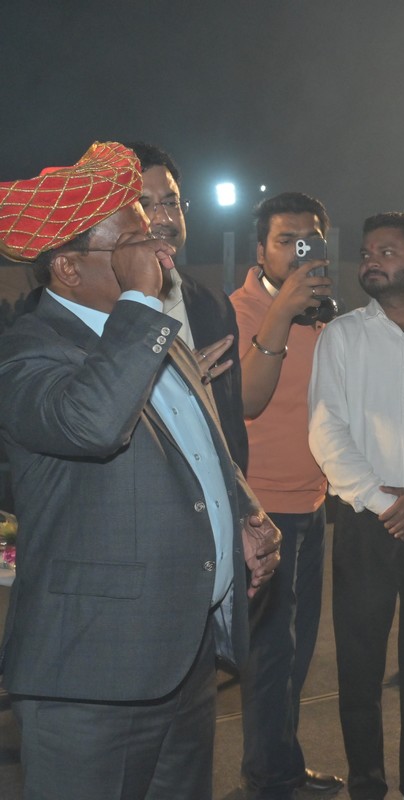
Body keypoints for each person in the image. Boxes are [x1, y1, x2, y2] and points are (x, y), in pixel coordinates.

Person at [0, 142, 281, 799]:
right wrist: (138, 302)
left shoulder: (152, 335)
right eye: (132, 240)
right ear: (69, 268)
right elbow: (92, 423)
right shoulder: (29, 351)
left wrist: (241, 514)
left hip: (182, 660)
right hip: (93, 675)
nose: (157, 244)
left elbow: (193, 447)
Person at [309, 212, 404, 800]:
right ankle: (367, 784)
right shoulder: (342, 336)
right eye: (367, 252)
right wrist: (379, 501)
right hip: (364, 523)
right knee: (359, 668)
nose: (371, 260)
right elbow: (326, 429)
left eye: (387, 251)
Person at [230, 191, 344, 798]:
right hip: (260, 509)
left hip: (313, 503)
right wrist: (282, 313)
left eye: (311, 240)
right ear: (260, 251)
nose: (300, 251)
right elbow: (246, 402)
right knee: (271, 656)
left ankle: (281, 766)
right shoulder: (238, 311)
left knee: (295, 655)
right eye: (285, 241)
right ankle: (270, 779)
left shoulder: (325, 316)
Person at [125, 140, 249, 472]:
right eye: (144, 204)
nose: (163, 218)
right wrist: (176, 384)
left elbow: (231, 422)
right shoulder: (97, 308)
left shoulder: (214, 304)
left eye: (171, 202)